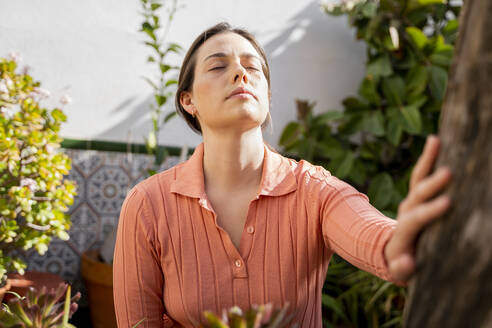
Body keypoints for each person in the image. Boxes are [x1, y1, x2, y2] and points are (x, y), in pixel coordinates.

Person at [113, 22, 452, 328]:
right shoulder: (147, 205)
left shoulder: (314, 191)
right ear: (188, 100)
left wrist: (408, 239)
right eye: (218, 65)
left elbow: (373, 235)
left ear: (268, 97)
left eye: (252, 67)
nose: (240, 74)